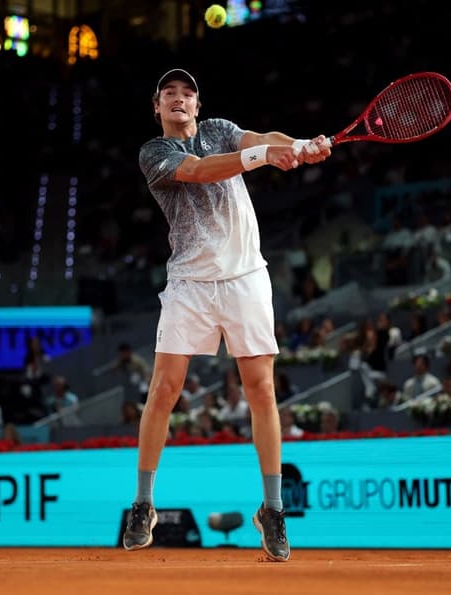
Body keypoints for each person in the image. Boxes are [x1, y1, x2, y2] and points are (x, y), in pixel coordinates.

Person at [121, 68, 331, 562]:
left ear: (198, 105)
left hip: (245, 279)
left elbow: (264, 138)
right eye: (168, 93)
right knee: (164, 389)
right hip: (190, 284)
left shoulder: (221, 128)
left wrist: (301, 144)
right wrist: (265, 157)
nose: (178, 98)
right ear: (157, 107)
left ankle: (273, 510)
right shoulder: (155, 154)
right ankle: (144, 503)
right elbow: (200, 171)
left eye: (187, 93)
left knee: (261, 389)